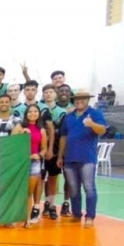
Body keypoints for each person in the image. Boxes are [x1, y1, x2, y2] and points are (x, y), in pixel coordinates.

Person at [58, 90, 107, 228]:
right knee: (73, 189)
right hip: (70, 158)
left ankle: (90, 216)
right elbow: (63, 137)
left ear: (87, 100)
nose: (80, 101)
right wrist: (61, 155)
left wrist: (92, 124)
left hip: (87, 158)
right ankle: (76, 214)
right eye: (77, 99)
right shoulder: (69, 117)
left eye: (83, 98)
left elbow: (102, 130)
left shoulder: (95, 114)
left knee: (89, 188)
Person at [42, 84, 66, 220]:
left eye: (51, 92)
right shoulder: (38, 109)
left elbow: (62, 132)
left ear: (55, 94)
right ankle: (42, 204)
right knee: (39, 178)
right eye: (46, 92)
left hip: (54, 147)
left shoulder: (62, 112)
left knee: (52, 178)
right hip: (39, 147)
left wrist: (53, 150)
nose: (48, 94)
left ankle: (52, 205)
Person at [21, 104, 48, 226]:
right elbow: (12, 143)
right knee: (17, 190)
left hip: (34, 163)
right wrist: (22, 134)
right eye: (30, 111)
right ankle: (12, 217)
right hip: (20, 163)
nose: (32, 113)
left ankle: (27, 218)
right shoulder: (20, 127)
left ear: (39, 113)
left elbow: (44, 149)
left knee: (29, 191)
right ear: (26, 114)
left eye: (35, 111)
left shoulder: (41, 130)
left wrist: (39, 155)